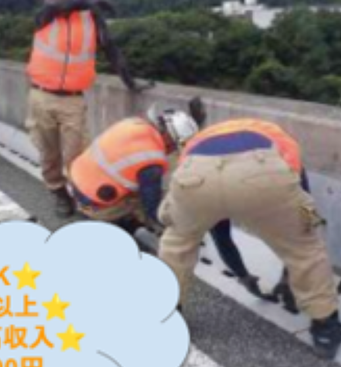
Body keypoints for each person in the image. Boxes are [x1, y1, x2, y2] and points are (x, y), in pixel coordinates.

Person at [157, 118, 341, 360]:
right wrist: (311, 225)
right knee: (305, 247)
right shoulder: (280, 140)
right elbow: (302, 197)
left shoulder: (197, 143)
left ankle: (165, 316)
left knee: (177, 244)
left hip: (195, 174)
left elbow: (221, 234)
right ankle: (325, 326)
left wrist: (243, 276)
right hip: (260, 172)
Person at [68, 100, 267, 299]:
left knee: (156, 192)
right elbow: (154, 210)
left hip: (78, 176)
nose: (173, 150)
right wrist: (180, 230)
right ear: (169, 137)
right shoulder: (151, 162)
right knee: (164, 206)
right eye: (176, 145)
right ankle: (120, 226)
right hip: (95, 202)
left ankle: (127, 221)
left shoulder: (137, 125)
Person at [26, 0, 147, 218]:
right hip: (40, 96)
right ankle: (58, 192)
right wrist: (88, 3)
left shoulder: (91, 18)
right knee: (49, 153)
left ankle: (82, 198)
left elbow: (111, 50)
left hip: (72, 100)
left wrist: (130, 82)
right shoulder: (44, 16)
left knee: (78, 155)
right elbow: (56, 9)